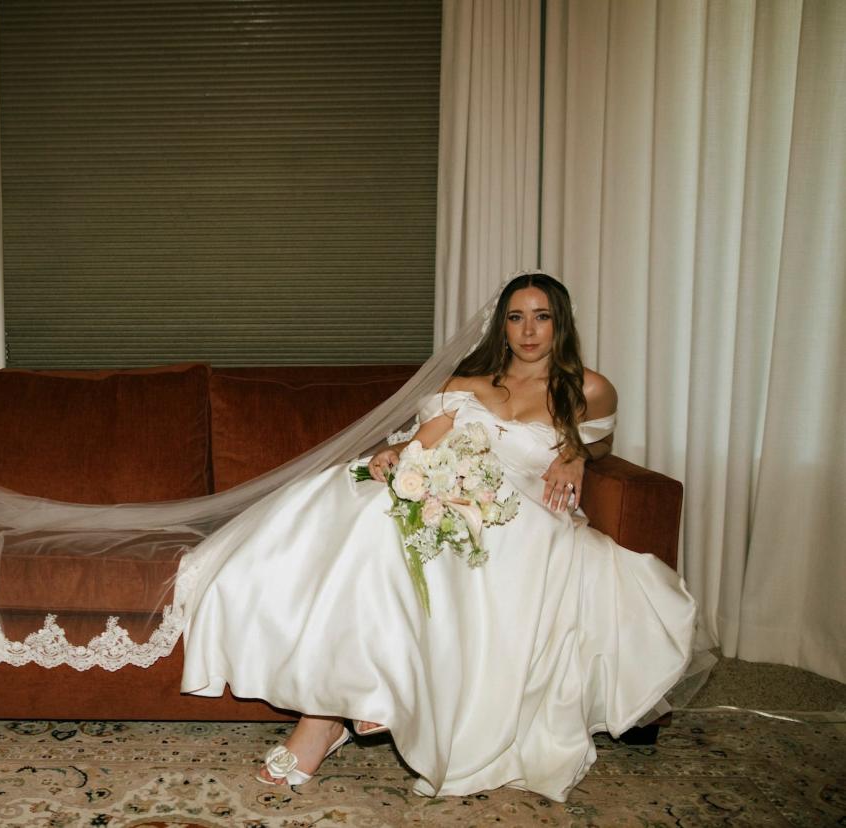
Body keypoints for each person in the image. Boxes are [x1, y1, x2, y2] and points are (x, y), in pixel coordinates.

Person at [177, 272, 698, 801]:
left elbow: (600, 442)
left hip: (524, 516)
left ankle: (347, 709)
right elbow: (423, 443)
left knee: (432, 543)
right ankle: (346, 706)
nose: (529, 330)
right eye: (516, 317)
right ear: (502, 326)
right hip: (452, 496)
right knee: (378, 520)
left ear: (560, 322)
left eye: (542, 317)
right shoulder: (467, 386)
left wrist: (574, 457)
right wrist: (394, 456)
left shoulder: (588, 387)